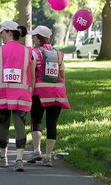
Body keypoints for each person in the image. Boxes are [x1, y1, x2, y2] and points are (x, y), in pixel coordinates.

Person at [0, 21, 35, 172]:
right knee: (20, 125)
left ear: (10, 32)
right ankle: (19, 159)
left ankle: (3, 157)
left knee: (4, 125)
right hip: (22, 94)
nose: (0, 36)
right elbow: (31, 74)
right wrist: (32, 90)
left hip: (2, 93)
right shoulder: (28, 51)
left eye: (2, 33)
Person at [27, 25, 70, 167]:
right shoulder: (59, 54)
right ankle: (48, 156)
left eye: (34, 36)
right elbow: (62, 74)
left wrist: (31, 90)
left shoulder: (34, 53)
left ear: (39, 38)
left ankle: (36, 150)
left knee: (36, 120)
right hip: (57, 93)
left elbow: (32, 74)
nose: (32, 38)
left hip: (40, 92)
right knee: (52, 123)